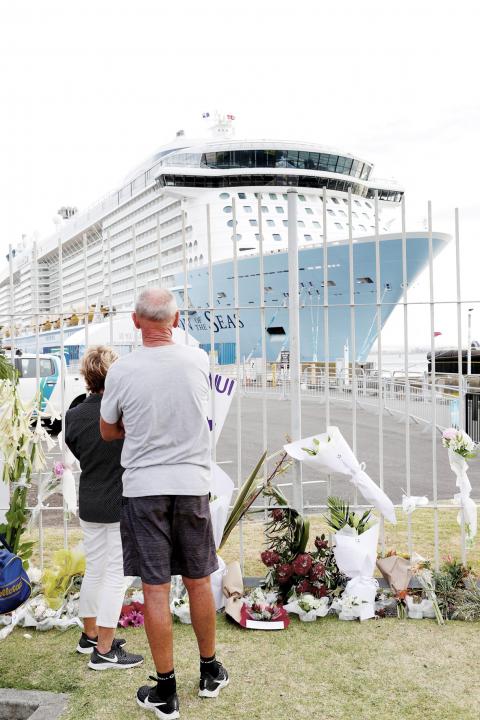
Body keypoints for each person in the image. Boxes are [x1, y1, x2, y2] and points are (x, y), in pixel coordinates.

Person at [100, 288, 228, 719]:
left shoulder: (121, 370)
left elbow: (107, 430)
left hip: (144, 488)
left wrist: (135, 428)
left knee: (155, 588)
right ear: (175, 320)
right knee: (198, 579)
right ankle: (210, 671)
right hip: (191, 483)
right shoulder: (197, 360)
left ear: (135, 321)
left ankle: (166, 688)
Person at [65, 345, 144, 671]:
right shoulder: (123, 413)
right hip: (118, 501)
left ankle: (90, 635)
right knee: (115, 575)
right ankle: (105, 650)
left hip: (89, 500)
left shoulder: (73, 415)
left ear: (86, 376)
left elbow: (76, 448)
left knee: (96, 570)